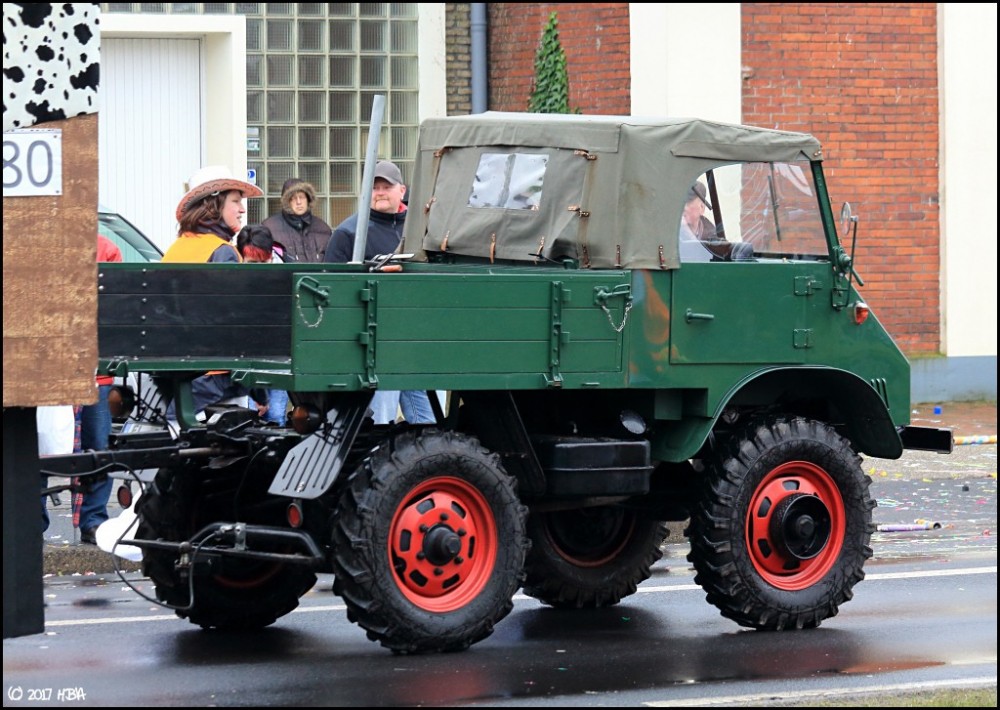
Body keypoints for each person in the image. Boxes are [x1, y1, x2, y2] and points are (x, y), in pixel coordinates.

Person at [324, 160, 435, 424]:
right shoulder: (348, 233)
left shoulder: (422, 230)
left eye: (386, 186)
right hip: (374, 344)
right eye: (374, 188)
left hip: (418, 339)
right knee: (380, 420)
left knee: (429, 423)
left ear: (402, 190)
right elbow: (333, 288)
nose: (380, 192)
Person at [163, 166, 269, 418]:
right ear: (213, 205)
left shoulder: (176, 248)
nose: (242, 209)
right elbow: (235, 324)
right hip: (215, 377)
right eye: (235, 201)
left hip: (173, 366)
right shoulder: (223, 252)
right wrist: (260, 391)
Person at [262, 177, 331, 263]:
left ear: (308, 199)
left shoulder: (323, 228)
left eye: (302, 197)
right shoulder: (269, 227)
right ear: (287, 201)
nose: (298, 202)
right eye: (293, 198)